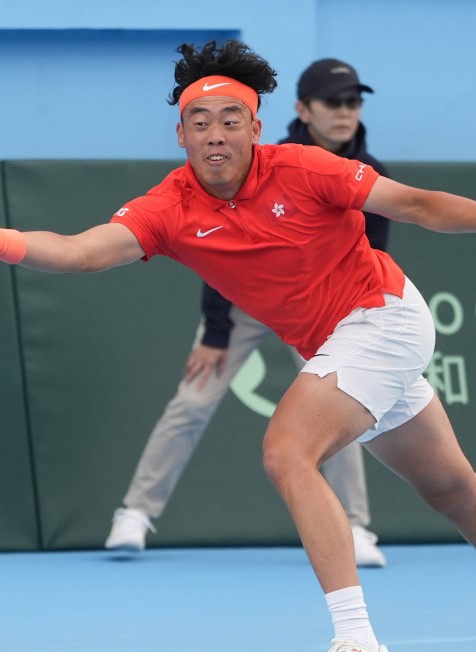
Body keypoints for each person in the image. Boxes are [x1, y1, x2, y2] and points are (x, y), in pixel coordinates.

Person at [0, 39, 476, 652]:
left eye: (231, 121)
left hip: (382, 315)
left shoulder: (306, 167)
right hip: (340, 343)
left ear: (256, 129)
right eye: (200, 123)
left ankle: (359, 648)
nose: (216, 134)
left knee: (287, 449)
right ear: (181, 136)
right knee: (451, 488)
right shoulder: (168, 206)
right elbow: (84, 251)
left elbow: (415, 204)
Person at [103, 57, 391, 568]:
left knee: (338, 412)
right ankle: (135, 514)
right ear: (304, 109)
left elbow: (371, 259)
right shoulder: (262, 156)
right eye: (332, 102)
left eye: (353, 102)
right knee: (191, 401)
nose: (344, 112)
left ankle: (356, 526)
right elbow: (217, 248)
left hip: (325, 309)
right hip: (241, 307)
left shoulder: (374, 176)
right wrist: (215, 330)